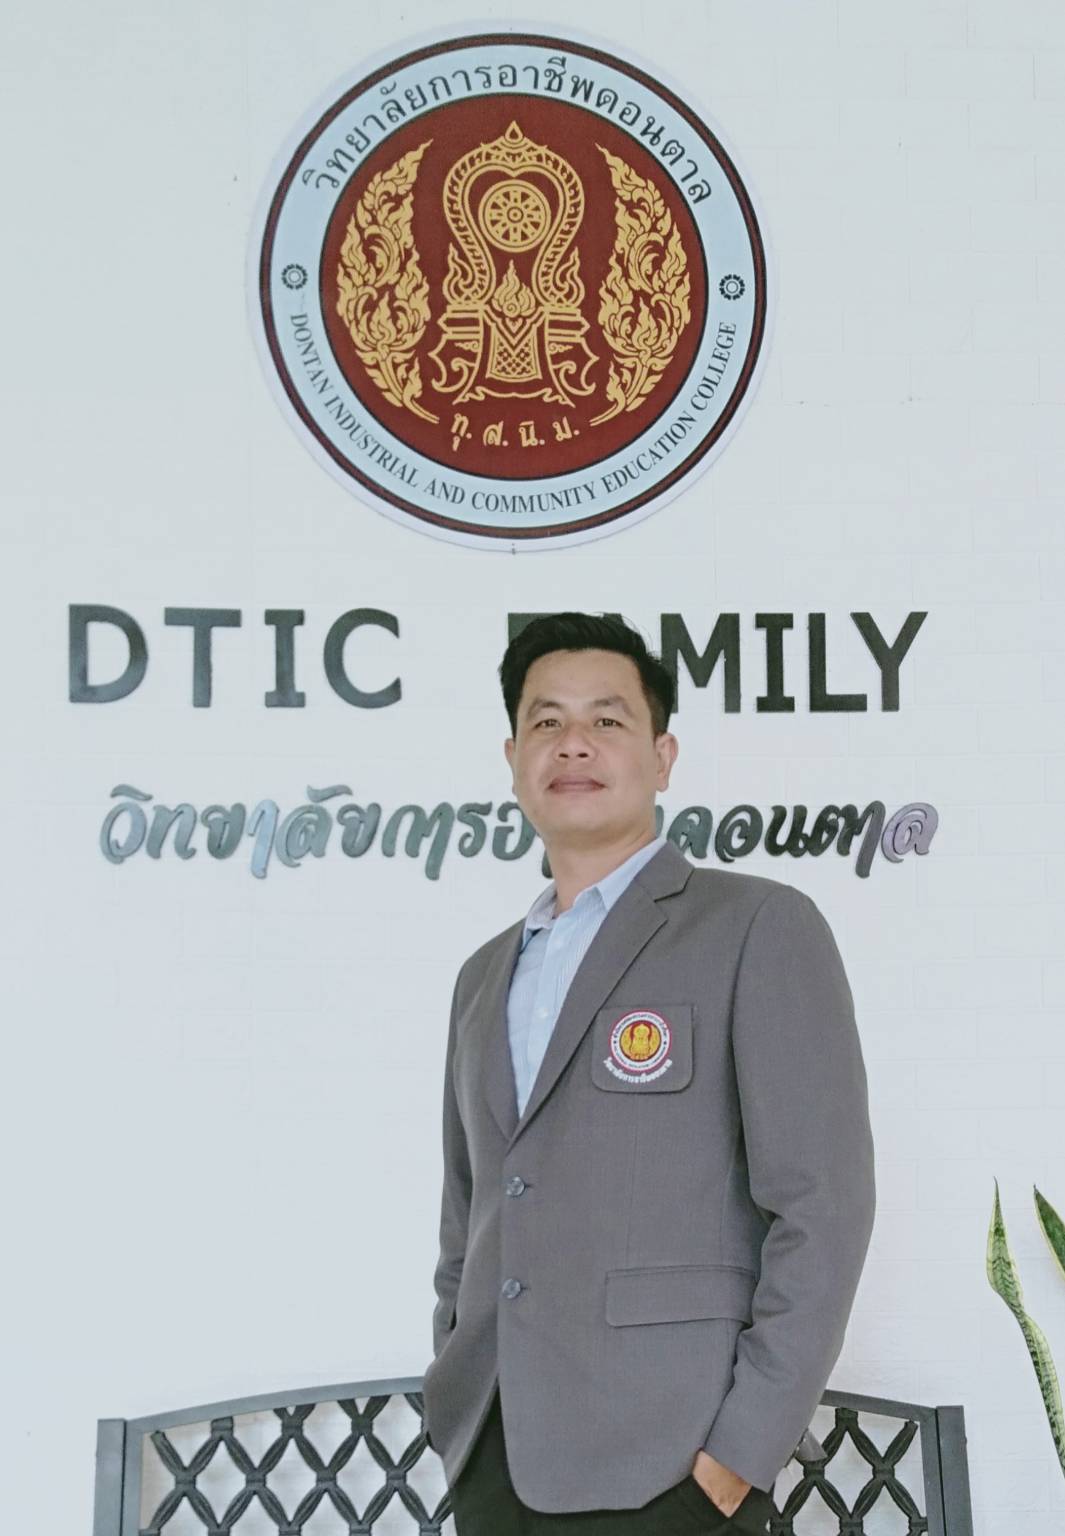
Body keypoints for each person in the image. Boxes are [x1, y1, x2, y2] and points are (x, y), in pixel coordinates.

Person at [420, 612, 876, 1534]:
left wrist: (739, 1454)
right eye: (545, 722)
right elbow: (470, 1214)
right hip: (494, 1460)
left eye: (607, 719)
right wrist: (454, 1384)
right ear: (512, 758)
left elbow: (822, 1206)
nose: (573, 743)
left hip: (670, 1467)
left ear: (662, 757)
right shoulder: (482, 974)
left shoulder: (755, 927)